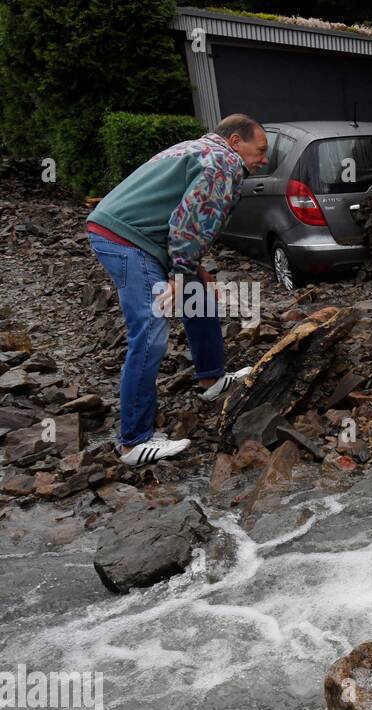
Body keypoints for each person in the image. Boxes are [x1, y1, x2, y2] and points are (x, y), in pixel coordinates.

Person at [86, 113, 269, 466]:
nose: (264, 159)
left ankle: (211, 379)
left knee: (199, 297)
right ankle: (133, 442)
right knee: (152, 331)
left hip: (124, 234)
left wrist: (194, 272)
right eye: (260, 150)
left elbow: (178, 212)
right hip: (128, 242)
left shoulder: (195, 149)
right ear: (235, 142)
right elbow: (189, 223)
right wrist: (181, 274)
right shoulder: (224, 162)